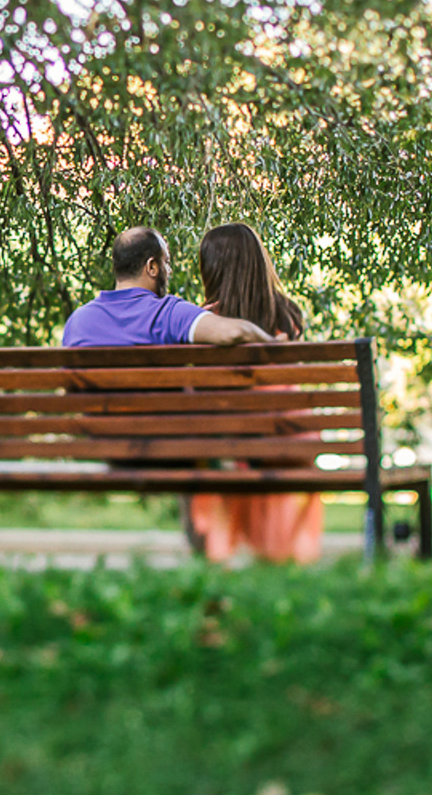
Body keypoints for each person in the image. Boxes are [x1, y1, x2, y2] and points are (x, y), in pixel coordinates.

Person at [185, 222, 326, 564]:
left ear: (211, 269)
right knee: (262, 443)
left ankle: (220, 556)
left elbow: (196, 397)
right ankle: (275, 555)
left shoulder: (204, 323)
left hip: (226, 446)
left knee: (216, 448)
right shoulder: (288, 317)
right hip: (286, 441)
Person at [59, 226, 274, 348]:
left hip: (97, 427)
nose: (168, 270)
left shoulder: (78, 321)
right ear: (152, 267)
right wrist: (272, 342)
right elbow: (233, 333)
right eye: (166, 262)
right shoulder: (168, 314)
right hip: (157, 427)